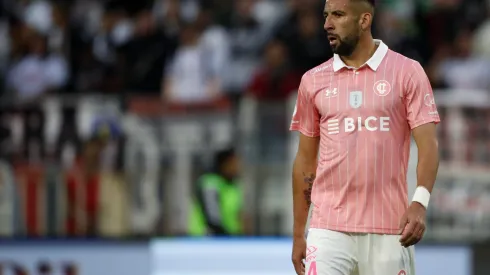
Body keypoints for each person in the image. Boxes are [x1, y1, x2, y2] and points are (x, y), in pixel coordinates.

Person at [290, 0, 440, 275]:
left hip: (390, 228)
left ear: (364, 20)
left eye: (338, 15)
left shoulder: (407, 72)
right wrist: (299, 232)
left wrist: (419, 202)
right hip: (328, 228)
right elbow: (305, 161)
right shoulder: (312, 81)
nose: (327, 24)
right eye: (325, 15)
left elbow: (428, 144)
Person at [188, 147, 246, 236]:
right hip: (205, 240)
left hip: (229, 239)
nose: (237, 167)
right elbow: (212, 218)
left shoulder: (234, 186)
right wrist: (226, 236)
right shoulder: (210, 183)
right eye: (233, 163)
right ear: (224, 164)